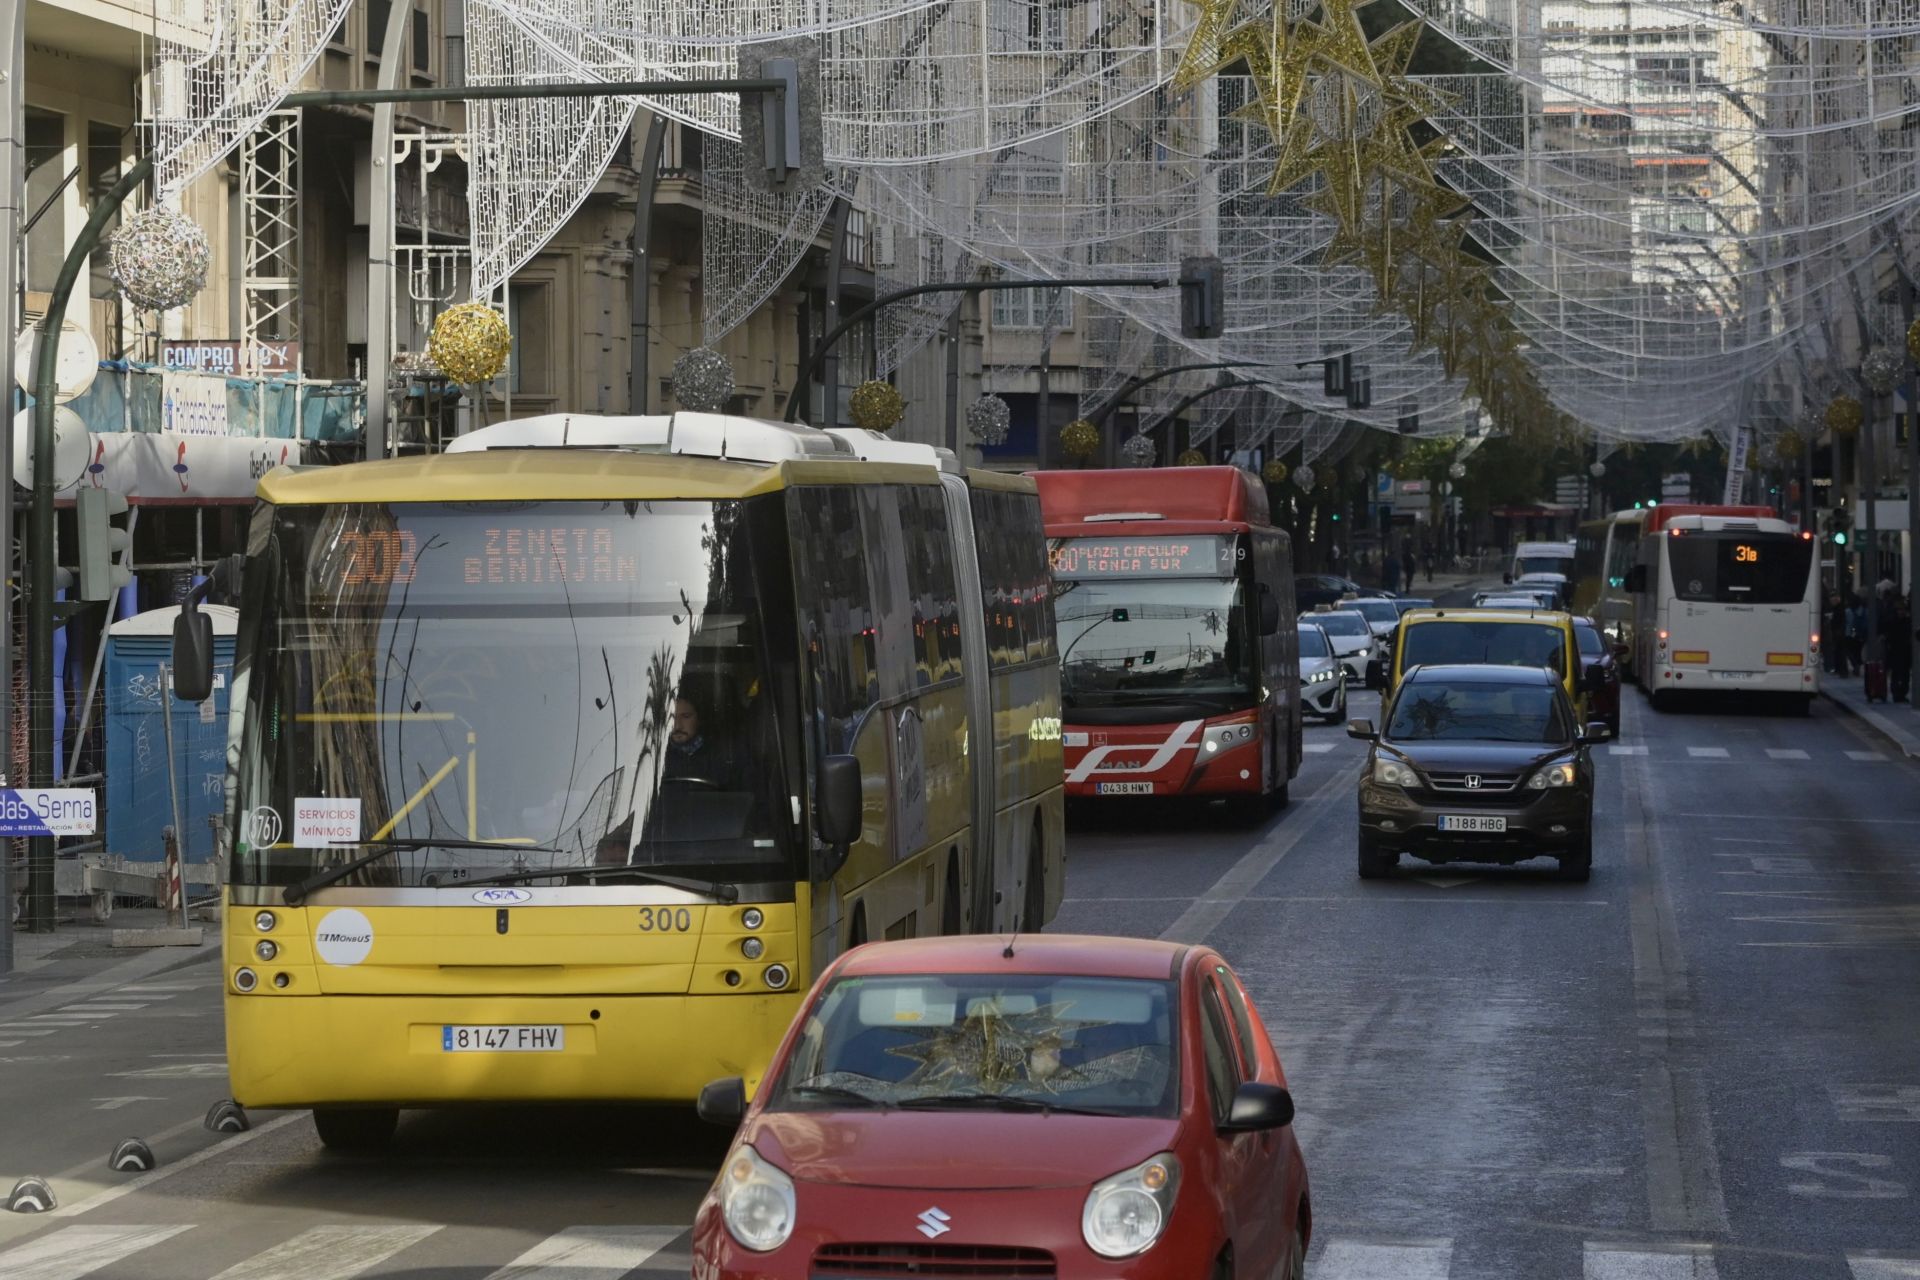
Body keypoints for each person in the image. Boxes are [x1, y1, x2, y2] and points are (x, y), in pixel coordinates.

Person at [664, 695, 743, 788]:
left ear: (699, 719)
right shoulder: (656, 759)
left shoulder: (725, 756)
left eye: (686, 716)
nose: (677, 725)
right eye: (671, 717)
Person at [1886, 594, 1915, 704]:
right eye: (1899, 610)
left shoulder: (1908, 621)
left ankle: (1902, 693)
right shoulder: (1893, 621)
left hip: (1906, 651)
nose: (1901, 612)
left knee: (1905, 675)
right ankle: (1897, 694)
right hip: (1896, 651)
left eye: (1903, 610)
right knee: (1897, 674)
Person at [1824, 590, 1846, 674]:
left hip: (1838, 633)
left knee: (1839, 652)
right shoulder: (1837, 608)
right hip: (1837, 632)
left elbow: (1838, 621)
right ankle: (1838, 669)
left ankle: (1841, 670)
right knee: (1837, 652)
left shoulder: (1838, 609)